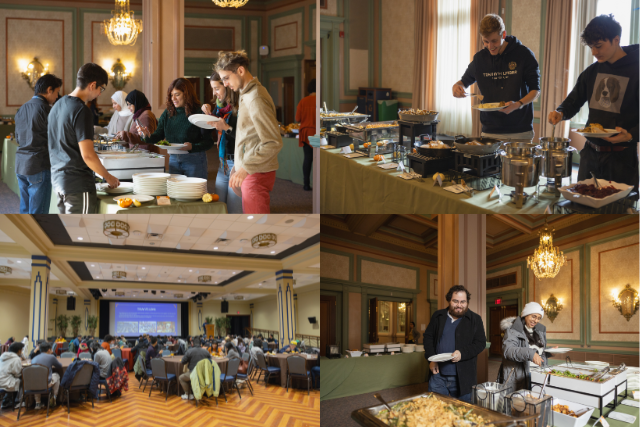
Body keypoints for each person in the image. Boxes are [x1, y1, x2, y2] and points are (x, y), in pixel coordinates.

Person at [548, 14, 639, 190]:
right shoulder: (592, 71)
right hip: (589, 155)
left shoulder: (637, 70)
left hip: (621, 160)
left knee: (617, 212)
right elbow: (573, 100)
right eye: (591, 47)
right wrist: (560, 112)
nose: (594, 52)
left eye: (598, 46)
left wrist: (631, 134)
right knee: (582, 207)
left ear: (616, 40)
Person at [453, 14, 540, 142]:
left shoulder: (524, 54)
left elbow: (535, 90)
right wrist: (456, 87)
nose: (490, 46)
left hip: (520, 132)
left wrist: (518, 105)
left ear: (503, 35)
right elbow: (463, 82)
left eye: (494, 41)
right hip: (490, 132)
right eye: (485, 41)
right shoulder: (479, 59)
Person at [215, 50, 283, 214]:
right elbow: (249, 137)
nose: (224, 84)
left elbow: (273, 142)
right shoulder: (247, 94)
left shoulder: (255, 97)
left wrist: (245, 168)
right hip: (251, 171)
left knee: (257, 229)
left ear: (240, 70)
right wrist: (238, 167)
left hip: (255, 173)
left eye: (226, 78)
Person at [48, 63, 120, 214]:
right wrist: (108, 177)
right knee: (82, 231)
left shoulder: (57, 105)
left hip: (58, 179)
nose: (100, 93)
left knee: (69, 232)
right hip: (77, 184)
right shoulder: (82, 110)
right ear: (93, 85)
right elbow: (87, 155)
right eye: (102, 88)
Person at [137, 78, 214, 179]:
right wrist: (146, 135)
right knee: (175, 193)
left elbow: (209, 142)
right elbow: (157, 136)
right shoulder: (167, 113)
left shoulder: (198, 113)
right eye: (171, 95)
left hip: (194, 159)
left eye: (177, 94)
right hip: (173, 159)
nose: (173, 98)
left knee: (194, 194)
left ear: (187, 94)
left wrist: (192, 147)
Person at [423, 285, 487, 403]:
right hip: (438, 375)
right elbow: (428, 338)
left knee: (464, 413)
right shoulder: (438, 316)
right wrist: (431, 359)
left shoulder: (475, 319)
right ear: (449, 300)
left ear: (467, 302)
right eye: (455, 301)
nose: (459, 305)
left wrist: (462, 353)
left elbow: (480, 343)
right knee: (436, 409)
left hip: (464, 377)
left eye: (463, 302)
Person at [14, 74, 62, 214]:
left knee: (25, 209)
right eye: (57, 92)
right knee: (39, 212)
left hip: (21, 164)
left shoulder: (22, 108)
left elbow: (18, 138)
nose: (57, 97)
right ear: (49, 90)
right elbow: (55, 139)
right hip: (38, 165)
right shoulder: (46, 109)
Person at [203, 72, 242, 213]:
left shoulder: (240, 107)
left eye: (217, 88)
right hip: (222, 164)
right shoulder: (220, 108)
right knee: (219, 208)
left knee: (233, 211)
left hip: (237, 166)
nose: (214, 93)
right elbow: (206, 133)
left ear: (227, 86)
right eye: (212, 89)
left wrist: (226, 128)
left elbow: (246, 139)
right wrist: (206, 117)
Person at [499, 302, 559, 391]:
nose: (536, 320)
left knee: (535, 400)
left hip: (537, 374)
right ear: (525, 315)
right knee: (519, 402)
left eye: (539, 318)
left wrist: (549, 351)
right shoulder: (513, 330)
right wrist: (531, 354)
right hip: (519, 376)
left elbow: (537, 350)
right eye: (533, 316)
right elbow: (508, 351)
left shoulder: (540, 331)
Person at [295, 78, 316, 191]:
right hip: (315, 133)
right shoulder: (319, 101)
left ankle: (306, 184)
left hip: (305, 133)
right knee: (317, 159)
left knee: (307, 158)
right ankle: (317, 183)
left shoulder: (303, 101)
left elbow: (297, 118)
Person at [31, 342, 63, 409]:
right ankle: (54, 397)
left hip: (33, 384)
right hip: (46, 384)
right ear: (49, 350)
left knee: (37, 378)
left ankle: (37, 403)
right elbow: (59, 366)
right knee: (56, 375)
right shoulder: (51, 357)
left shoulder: (34, 358)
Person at [0, 342, 24, 409]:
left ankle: (6, 400)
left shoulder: (2, 356)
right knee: (22, 380)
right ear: (19, 350)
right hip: (6, 383)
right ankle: (18, 401)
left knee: (14, 380)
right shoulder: (16, 359)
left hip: (1, 381)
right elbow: (17, 374)